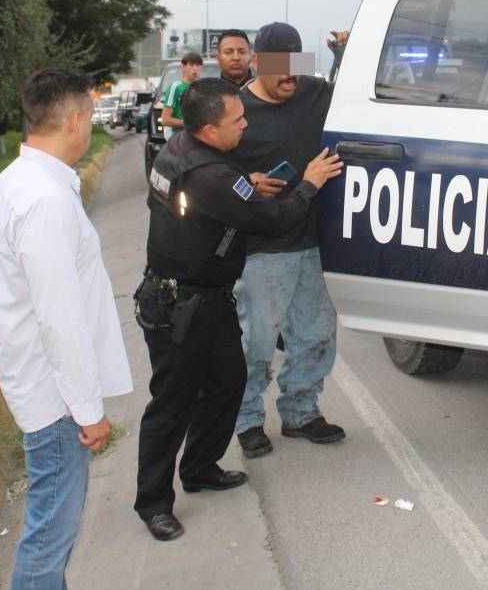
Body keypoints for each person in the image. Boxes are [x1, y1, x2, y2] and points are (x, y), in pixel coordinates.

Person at [135, 77, 342, 541]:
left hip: (208, 297)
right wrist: (308, 183)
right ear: (209, 130)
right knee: (171, 405)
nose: (246, 125)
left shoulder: (181, 153)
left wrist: (244, 186)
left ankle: (201, 467)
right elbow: (275, 220)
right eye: (237, 120)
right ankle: (152, 503)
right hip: (178, 306)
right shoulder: (212, 177)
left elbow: (207, 201)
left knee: (228, 381)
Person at [0, 68, 132, 590]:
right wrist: (88, 412)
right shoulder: (44, 200)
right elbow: (59, 317)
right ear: (74, 120)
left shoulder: (20, 181)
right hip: (56, 400)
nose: (91, 126)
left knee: (52, 534)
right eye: (91, 116)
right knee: (49, 539)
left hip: (43, 386)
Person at [230, 22, 349, 460]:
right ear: (256, 62)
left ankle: (301, 412)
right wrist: (248, 184)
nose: (289, 78)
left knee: (316, 333)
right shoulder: (235, 110)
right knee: (256, 342)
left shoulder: (315, 92)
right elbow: (210, 175)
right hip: (262, 248)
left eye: (296, 67)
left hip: (314, 242)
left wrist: (344, 53)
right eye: (279, 68)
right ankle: (245, 420)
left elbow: (355, 93)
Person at [160, 52, 203, 140]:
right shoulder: (175, 88)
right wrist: (188, 123)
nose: (195, 69)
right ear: (183, 67)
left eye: (198, 65)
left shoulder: (202, 88)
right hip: (179, 138)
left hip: (198, 138)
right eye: (191, 65)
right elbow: (165, 119)